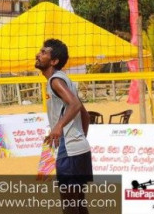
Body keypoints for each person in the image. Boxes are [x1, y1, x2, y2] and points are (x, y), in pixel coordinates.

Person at [35, 39, 92, 214]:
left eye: (44, 52)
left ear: (54, 61)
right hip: (79, 148)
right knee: (79, 205)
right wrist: (79, 138)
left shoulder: (55, 81)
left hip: (69, 150)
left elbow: (75, 105)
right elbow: (85, 115)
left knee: (70, 206)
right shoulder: (64, 80)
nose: (38, 54)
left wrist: (59, 127)